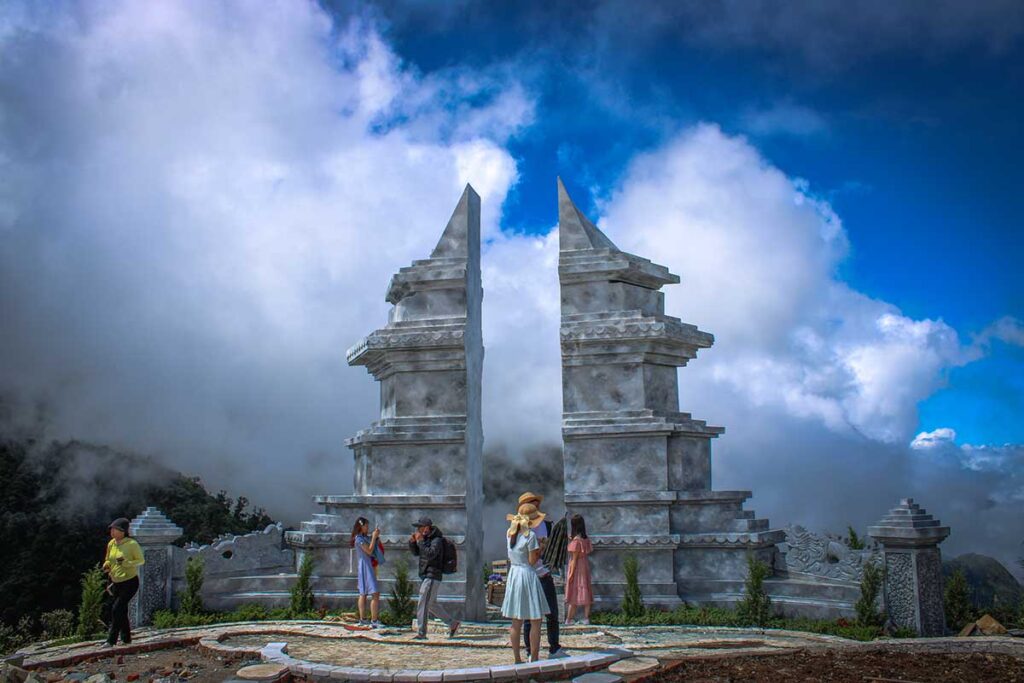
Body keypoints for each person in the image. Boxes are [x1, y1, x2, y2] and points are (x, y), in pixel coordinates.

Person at [517, 492, 564, 657]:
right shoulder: (519, 530)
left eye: (535, 502)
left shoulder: (547, 525)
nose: (534, 505)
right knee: (529, 618)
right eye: (531, 503)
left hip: (544, 573)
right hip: (529, 575)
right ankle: (530, 650)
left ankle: (554, 647)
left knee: (552, 613)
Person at [501, 505, 549, 663]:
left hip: (514, 574)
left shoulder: (510, 534)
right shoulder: (530, 536)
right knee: (535, 619)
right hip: (526, 574)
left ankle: (517, 658)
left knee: (516, 621)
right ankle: (534, 657)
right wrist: (540, 548)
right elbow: (532, 561)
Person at [408, 516, 460, 640]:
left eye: (420, 527)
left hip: (432, 575)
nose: (418, 530)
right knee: (431, 604)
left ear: (426, 527)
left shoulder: (437, 540)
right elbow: (417, 553)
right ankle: (453, 624)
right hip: (427, 574)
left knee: (423, 602)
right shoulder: (426, 539)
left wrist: (420, 542)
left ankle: (422, 632)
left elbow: (431, 554)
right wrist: (412, 542)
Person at [101, 518, 145, 647]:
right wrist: (107, 564)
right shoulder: (112, 544)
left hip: (130, 582)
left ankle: (111, 640)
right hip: (116, 582)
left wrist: (127, 563)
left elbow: (141, 560)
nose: (112, 532)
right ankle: (126, 638)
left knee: (116, 609)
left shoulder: (132, 544)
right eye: (112, 529)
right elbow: (109, 558)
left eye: (115, 530)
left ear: (123, 531)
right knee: (122, 610)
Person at [351, 517, 383, 628]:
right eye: (366, 526)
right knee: (373, 593)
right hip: (365, 566)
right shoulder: (359, 539)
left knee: (364, 593)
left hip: (367, 565)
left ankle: (364, 619)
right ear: (361, 526)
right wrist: (374, 538)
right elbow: (369, 551)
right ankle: (372, 620)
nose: (367, 528)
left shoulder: (363, 538)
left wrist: (375, 536)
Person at [564, 514, 593, 626]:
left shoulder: (576, 542)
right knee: (586, 590)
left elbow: (574, 559)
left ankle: (569, 619)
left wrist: (571, 573)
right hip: (584, 566)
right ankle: (586, 618)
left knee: (574, 594)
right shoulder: (585, 540)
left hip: (577, 569)